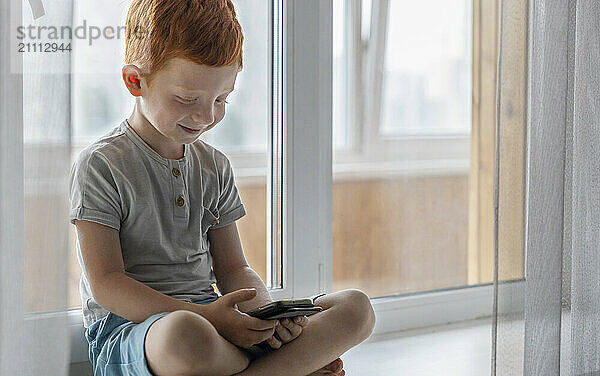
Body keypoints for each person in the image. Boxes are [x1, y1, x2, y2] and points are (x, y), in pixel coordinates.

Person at [69, 0, 376, 375]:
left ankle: (265, 365)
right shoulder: (101, 165)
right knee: (185, 334)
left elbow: (234, 267)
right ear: (136, 81)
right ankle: (287, 369)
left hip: (219, 326)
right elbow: (106, 285)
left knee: (356, 308)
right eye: (187, 99)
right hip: (138, 334)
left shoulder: (214, 167)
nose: (206, 115)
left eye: (221, 99)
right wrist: (208, 318)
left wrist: (266, 319)